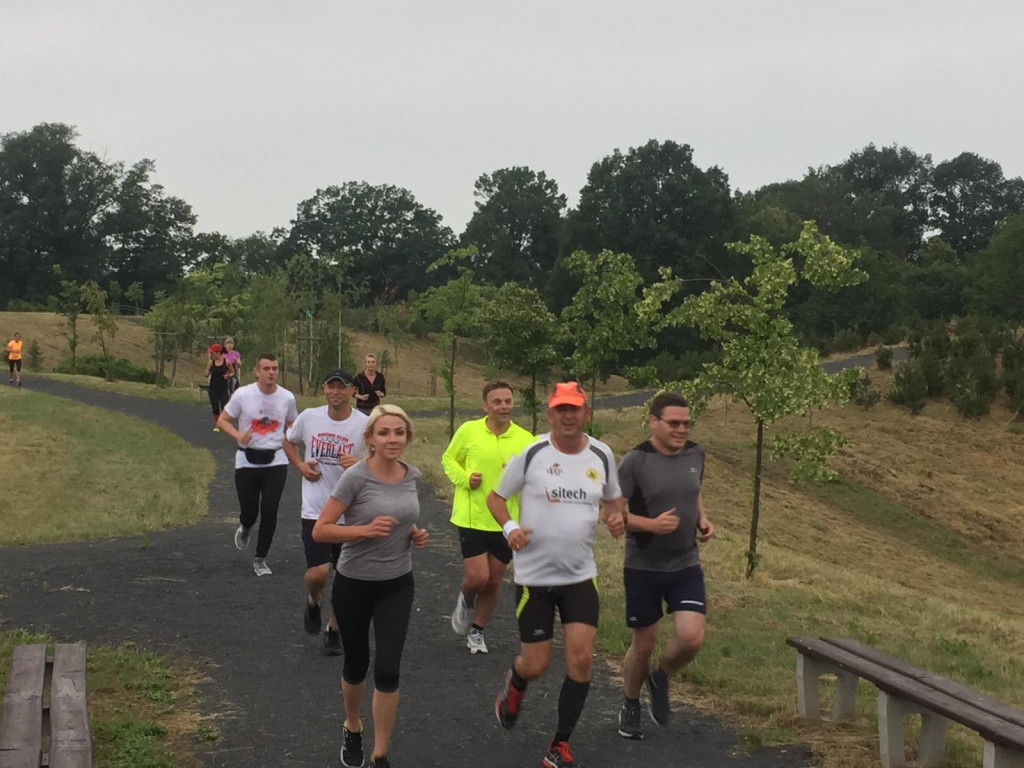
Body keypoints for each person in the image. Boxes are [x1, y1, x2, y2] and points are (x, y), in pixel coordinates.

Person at [488, 382, 625, 768]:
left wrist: (616, 517)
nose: (568, 416)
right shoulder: (532, 453)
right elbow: (496, 498)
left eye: (575, 410)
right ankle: (515, 685)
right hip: (534, 576)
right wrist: (510, 528)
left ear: (587, 414)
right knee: (536, 664)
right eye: (561, 409)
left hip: (581, 575)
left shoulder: (601, 453)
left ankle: (559, 745)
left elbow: (614, 498)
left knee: (581, 660)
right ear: (550, 414)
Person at [313, 404, 429, 768]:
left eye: (399, 432)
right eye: (384, 433)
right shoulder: (356, 478)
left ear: (407, 437)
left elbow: (403, 517)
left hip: (397, 582)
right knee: (357, 663)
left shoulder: (412, 475)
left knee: (389, 669)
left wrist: (413, 534)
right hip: (354, 583)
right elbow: (322, 529)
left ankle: (381, 753)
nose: (392, 439)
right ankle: (352, 725)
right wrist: (364, 531)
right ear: (371, 439)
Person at [615, 392, 714, 740]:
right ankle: (630, 702)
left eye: (686, 423)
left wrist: (702, 519)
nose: (682, 429)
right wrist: (651, 526)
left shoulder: (696, 453)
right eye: (674, 423)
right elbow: (611, 515)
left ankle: (661, 675)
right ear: (653, 421)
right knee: (643, 644)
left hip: (685, 562)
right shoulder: (635, 461)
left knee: (692, 638)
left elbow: (694, 489)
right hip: (643, 566)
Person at [442, 380, 533, 654]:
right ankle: (466, 600)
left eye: (507, 401)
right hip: (472, 516)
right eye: (497, 402)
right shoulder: (469, 431)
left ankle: (477, 630)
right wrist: (464, 477)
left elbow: (533, 477)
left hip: (505, 521)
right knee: (477, 577)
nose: (504, 406)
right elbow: (448, 459)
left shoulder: (525, 439)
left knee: (494, 580)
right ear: (485, 406)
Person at [284, 369, 369, 655]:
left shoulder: (365, 424)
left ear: (352, 391)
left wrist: (357, 464)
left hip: (351, 514)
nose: (336, 392)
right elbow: (288, 440)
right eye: (331, 387)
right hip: (316, 510)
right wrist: (299, 466)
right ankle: (313, 600)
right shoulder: (309, 417)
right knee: (318, 573)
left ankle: (333, 629)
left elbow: (378, 460)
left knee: (346, 580)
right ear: (324, 389)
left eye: (342, 388)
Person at [217, 354, 298, 576]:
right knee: (250, 510)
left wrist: (298, 451)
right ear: (257, 371)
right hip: (246, 459)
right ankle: (245, 525)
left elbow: (293, 426)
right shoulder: (243, 395)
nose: (271, 372)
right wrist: (237, 434)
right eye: (266, 368)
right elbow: (222, 420)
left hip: (276, 459)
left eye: (275, 368)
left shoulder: (287, 398)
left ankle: (260, 559)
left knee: (270, 510)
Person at [205, 344, 233, 431]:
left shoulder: (227, 362)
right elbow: (206, 373)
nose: (211, 355)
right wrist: (206, 372)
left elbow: (232, 372)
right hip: (213, 388)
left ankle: (224, 423)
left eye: (213, 353)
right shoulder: (210, 362)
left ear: (218, 353)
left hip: (223, 388)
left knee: (224, 406)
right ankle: (218, 424)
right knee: (215, 407)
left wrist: (228, 375)